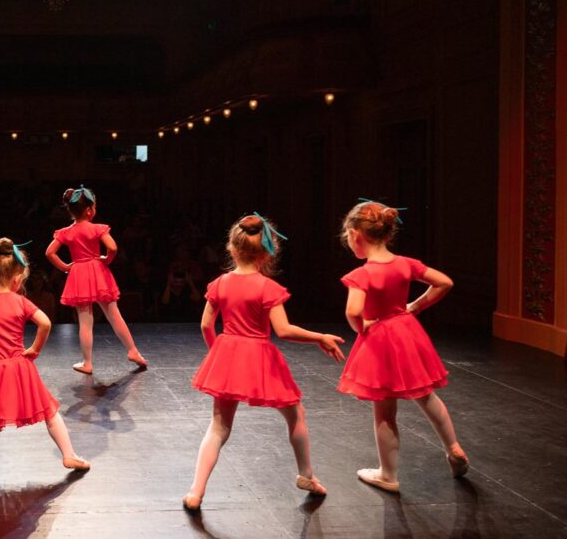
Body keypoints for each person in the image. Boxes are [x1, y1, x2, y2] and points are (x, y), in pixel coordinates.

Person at [184, 214, 345, 511]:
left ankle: (196, 491)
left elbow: (207, 325)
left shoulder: (219, 283)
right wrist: (319, 336)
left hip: (229, 353)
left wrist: (216, 353)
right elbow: (283, 331)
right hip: (259, 356)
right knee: (295, 414)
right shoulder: (267, 287)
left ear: (231, 250)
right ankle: (307, 475)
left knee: (218, 427)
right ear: (267, 253)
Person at [337, 200, 468, 492]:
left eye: (348, 237)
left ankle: (388, 474)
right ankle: (454, 447)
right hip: (406, 333)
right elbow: (444, 282)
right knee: (426, 395)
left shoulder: (363, 274)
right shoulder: (405, 264)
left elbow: (353, 311)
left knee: (385, 411)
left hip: (381, 340)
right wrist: (415, 307)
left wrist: (363, 328)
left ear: (357, 235)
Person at [0, 238, 90, 477]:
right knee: (49, 411)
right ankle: (69, 454)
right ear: (17, 279)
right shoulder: (20, 301)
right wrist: (34, 349)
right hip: (21, 367)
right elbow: (45, 323)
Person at [45, 186, 147, 374]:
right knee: (114, 315)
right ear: (89, 210)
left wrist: (65, 267)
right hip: (98, 271)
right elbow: (113, 248)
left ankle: (87, 363)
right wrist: (106, 259)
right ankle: (133, 351)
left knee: (85, 322)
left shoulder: (66, 232)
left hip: (79, 273)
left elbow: (49, 252)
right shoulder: (97, 228)